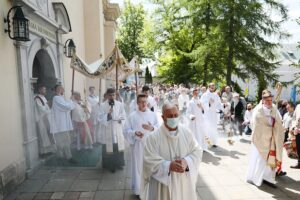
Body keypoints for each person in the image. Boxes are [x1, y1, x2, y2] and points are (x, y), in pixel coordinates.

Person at [141, 103, 202, 200]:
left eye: (176, 115)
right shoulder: (153, 137)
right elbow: (149, 161)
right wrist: (168, 166)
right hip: (162, 186)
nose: (173, 118)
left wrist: (187, 161)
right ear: (162, 117)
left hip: (183, 182)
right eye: (170, 116)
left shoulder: (187, 132)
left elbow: (197, 151)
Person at [246, 90, 284, 187]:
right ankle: (254, 178)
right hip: (260, 139)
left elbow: (279, 122)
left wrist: (276, 123)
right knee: (259, 159)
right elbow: (256, 125)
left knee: (270, 159)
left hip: (271, 139)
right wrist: (269, 127)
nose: (269, 102)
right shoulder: (258, 110)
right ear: (262, 101)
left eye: (271, 100)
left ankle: (268, 178)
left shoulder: (274, 108)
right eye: (267, 101)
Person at [124, 94, 159, 198]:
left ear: (147, 102)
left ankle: (151, 189)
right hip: (138, 146)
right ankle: (139, 190)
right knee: (138, 168)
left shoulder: (153, 115)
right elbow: (126, 130)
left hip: (150, 145)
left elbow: (159, 128)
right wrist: (135, 133)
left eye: (145, 101)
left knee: (151, 167)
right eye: (141, 102)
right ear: (137, 103)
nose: (143, 104)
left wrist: (151, 128)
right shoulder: (132, 116)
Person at [98, 88, 126, 172]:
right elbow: (99, 117)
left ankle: (118, 164)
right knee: (109, 147)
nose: (112, 97)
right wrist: (108, 114)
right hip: (108, 128)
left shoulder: (119, 104)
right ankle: (110, 165)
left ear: (115, 95)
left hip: (117, 127)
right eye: (110, 95)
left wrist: (121, 119)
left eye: (113, 95)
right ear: (107, 95)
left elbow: (123, 114)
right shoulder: (103, 105)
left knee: (118, 146)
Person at [50, 85, 76, 163]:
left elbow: (66, 106)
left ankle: (60, 156)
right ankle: (69, 157)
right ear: (58, 90)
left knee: (61, 141)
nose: (64, 89)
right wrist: (71, 101)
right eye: (62, 88)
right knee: (66, 141)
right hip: (60, 125)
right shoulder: (56, 98)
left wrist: (70, 100)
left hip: (62, 124)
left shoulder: (60, 98)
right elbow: (65, 107)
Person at [200, 83, 223, 147]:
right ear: (209, 87)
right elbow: (202, 103)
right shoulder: (204, 95)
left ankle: (214, 142)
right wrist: (209, 103)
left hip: (214, 114)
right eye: (211, 87)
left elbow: (219, 104)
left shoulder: (216, 95)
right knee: (207, 128)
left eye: (213, 87)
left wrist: (222, 107)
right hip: (207, 114)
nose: (212, 88)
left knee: (214, 128)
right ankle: (207, 143)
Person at [34, 85, 54, 155]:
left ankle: (49, 150)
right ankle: (43, 152)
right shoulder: (37, 98)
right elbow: (41, 109)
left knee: (48, 135)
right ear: (39, 90)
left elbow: (47, 107)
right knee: (43, 136)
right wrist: (49, 107)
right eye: (44, 89)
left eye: (45, 89)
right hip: (41, 119)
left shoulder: (43, 97)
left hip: (46, 118)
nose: (45, 91)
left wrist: (49, 106)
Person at [290, 103, 300, 169]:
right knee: (299, 148)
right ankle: (299, 163)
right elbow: (294, 118)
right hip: (298, 132)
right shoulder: (298, 106)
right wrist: (293, 127)